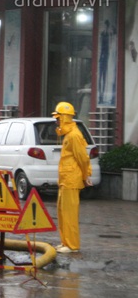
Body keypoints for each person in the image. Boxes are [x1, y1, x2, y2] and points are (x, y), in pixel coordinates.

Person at [52, 101, 93, 253]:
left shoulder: (74, 135)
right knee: (62, 213)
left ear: (65, 118)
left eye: (58, 118)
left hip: (71, 180)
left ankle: (72, 245)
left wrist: (86, 175)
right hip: (65, 180)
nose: (56, 121)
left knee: (69, 214)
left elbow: (82, 157)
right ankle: (65, 242)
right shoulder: (69, 135)